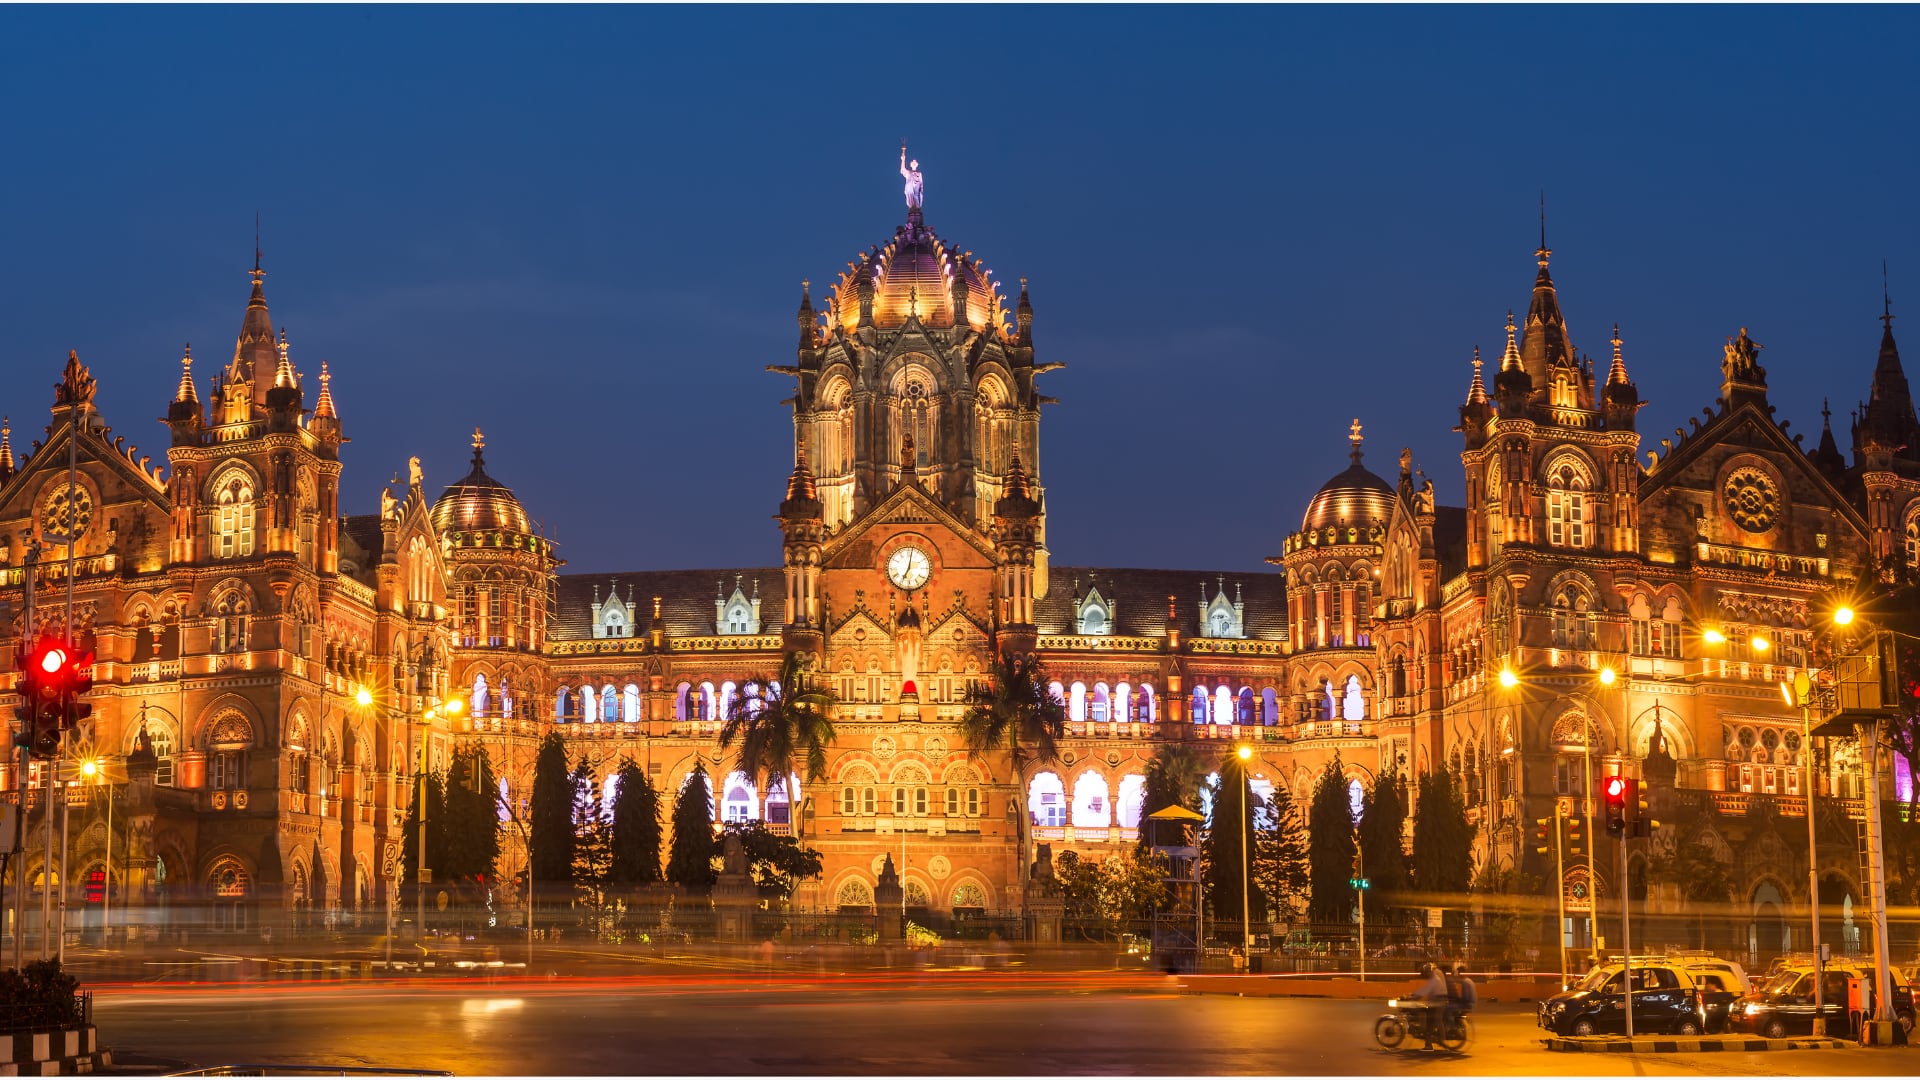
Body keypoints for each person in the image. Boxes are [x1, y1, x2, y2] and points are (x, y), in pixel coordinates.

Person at [1408, 962, 1449, 1050]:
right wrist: (1414, 995)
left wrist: (1414, 997)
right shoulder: (1434, 978)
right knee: (1429, 1021)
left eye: (1427, 972)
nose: (1426, 974)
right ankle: (1428, 1045)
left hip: (1439, 1002)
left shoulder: (1435, 979)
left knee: (1436, 1019)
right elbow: (1425, 989)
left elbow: (1424, 990)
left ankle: (1442, 1039)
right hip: (1435, 1001)